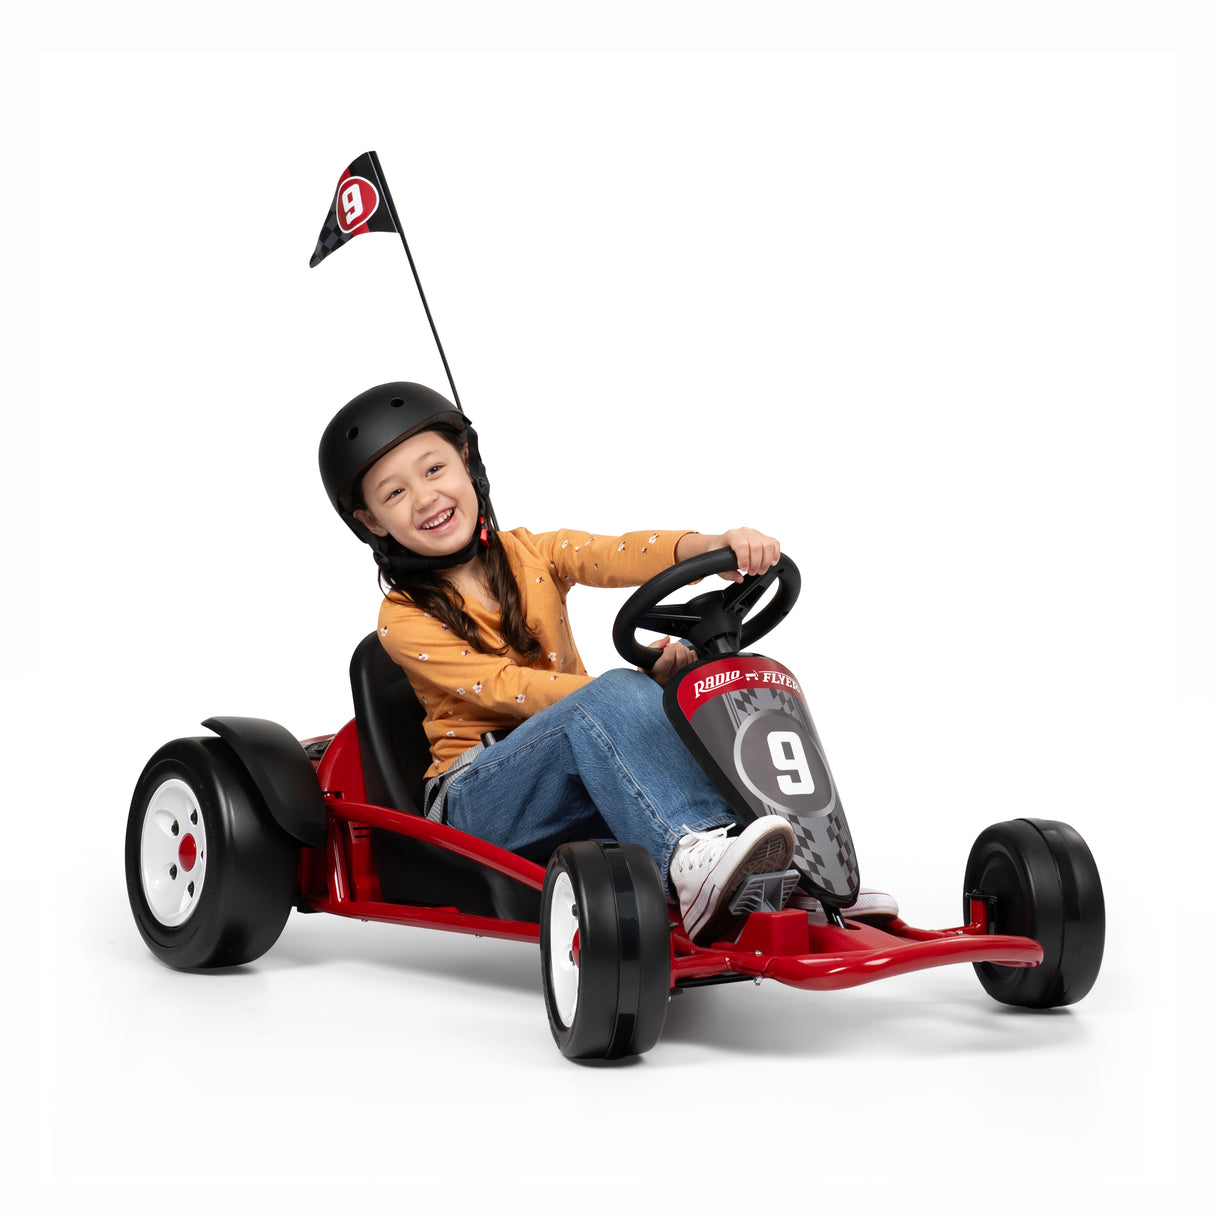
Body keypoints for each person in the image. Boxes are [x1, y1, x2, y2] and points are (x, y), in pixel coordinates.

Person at [319, 382, 803, 944]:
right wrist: (630, 691)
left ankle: (786, 864)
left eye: (433, 470)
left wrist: (710, 546)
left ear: (466, 461)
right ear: (372, 521)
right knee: (615, 696)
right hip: (473, 802)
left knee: (709, 693)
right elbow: (504, 689)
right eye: (395, 493)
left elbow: (618, 552)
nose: (425, 498)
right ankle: (689, 861)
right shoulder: (401, 618)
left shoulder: (534, 553)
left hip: (565, 767)